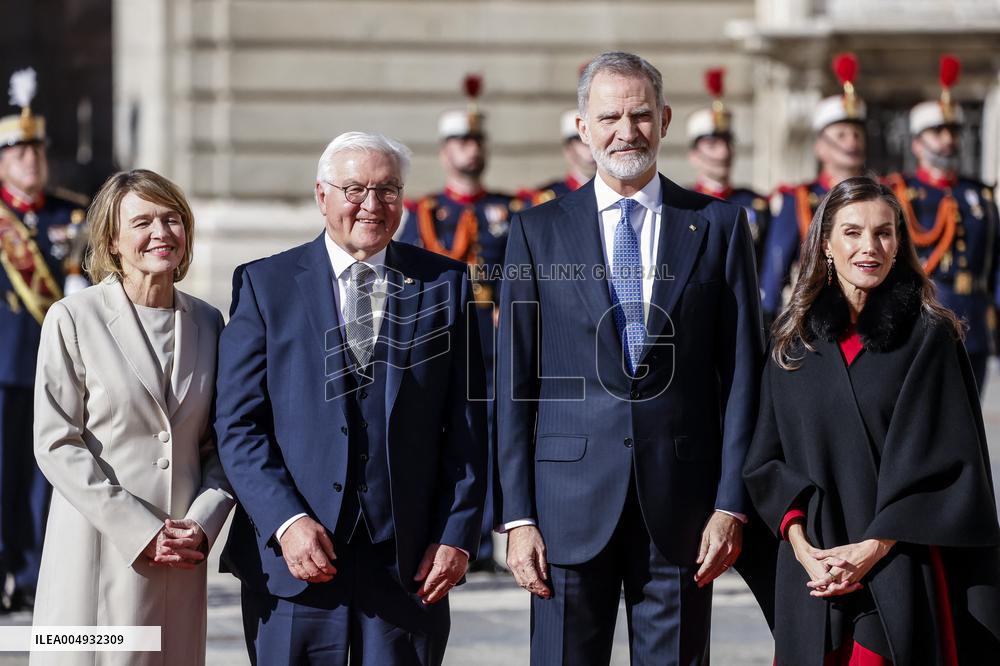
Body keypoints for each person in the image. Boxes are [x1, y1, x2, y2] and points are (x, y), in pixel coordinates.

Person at [495, 51, 765, 665]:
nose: (627, 131)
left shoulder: (718, 225)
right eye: (609, 117)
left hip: (683, 510)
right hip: (564, 509)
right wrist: (517, 516)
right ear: (582, 127)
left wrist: (731, 505)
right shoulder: (536, 231)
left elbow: (743, 375)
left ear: (664, 120)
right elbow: (514, 381)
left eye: (641, 115)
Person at [215, 132, 487, 666]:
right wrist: (286, 522)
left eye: (388, 190)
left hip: (409, 565)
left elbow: (469, 425)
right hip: (294, 563)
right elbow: (239, 425)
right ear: (322, 195)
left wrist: (456, 535)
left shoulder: (445, 283)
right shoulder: (265, 284)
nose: (372, 204)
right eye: (355, 189)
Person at [743, 175, 1000, 664]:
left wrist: (871, 550)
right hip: (813, 574)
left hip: (898, 570)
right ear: (826, 244)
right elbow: (766, 463)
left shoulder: (930, 338)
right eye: (853, 232)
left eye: (884, 233)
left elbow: (952, 469)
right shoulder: (792, 342)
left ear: (899, 244)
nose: (870, 247)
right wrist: (802, 547)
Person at [30, 169, 235, 665]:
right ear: (112, 242)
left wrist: (203, 521)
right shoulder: (73, 317)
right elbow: (56, 442)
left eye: (171, 219)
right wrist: (139, 529)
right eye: (142, 222)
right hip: (98, 547)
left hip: (180, 556)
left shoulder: (209, 322)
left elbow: (223, 442)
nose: (161, 233)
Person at [399, 75, 518, 572]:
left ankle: (488, 536)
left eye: (476, 141)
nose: (470, 150)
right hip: (441, 336)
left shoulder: (510, 208)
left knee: (493, 433)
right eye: (460, 142)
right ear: (445, 152)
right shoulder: (424, 211)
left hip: (493, 336)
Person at [0, 67, 89, 611]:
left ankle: (35, 576)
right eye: (17, 152)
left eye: (36, 151)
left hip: (53, 369)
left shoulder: (71, 214)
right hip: (2, 366)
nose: (29, 160)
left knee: (45, 477)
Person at [885, 55, 1000, 394]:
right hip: (923, 314)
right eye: (937, 132)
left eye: (952, 131)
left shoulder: (978, 194)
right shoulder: (901, 193)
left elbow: (994, 260)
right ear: (917, 144)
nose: (948, 139)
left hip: (974, 320)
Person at [761, 53, 867, 323]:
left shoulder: (877, 196)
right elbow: (777, 265)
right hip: (816, 314)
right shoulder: (798, 198)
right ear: (821, 147)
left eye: (857, 134)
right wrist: (768, 316)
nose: (852, 142)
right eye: (841, 135)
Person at [687, 67, 770, 265]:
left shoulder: (754, 203)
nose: (723, 153)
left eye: (727, 143)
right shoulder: (683, 203)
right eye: (712, 145)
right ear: (695, 156)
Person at [525, 109, 598, 206]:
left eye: (596, 140)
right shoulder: (549, 199)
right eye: (584, 142)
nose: (592, 148)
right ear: (568, 150)